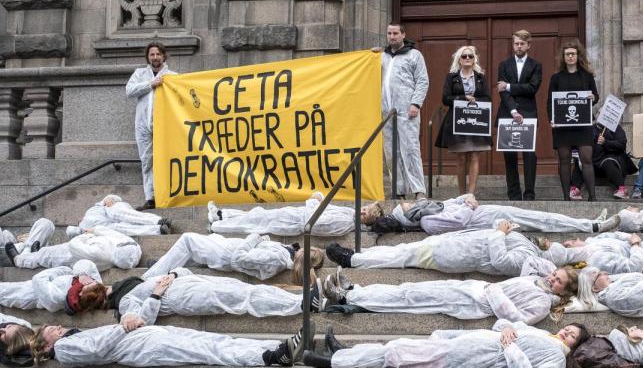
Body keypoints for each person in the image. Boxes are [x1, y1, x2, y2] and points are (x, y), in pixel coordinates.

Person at [302, 321, 589, 368]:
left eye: (573, 336)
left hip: (467, 356)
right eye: (569, 327)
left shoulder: (556, 355)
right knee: (397, 346)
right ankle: (341, 353)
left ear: (575, 347)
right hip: (465, 342)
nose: (567, 332)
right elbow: (503, 326)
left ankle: (333, 361)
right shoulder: (543, 334)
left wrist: (511, 348)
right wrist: (509, 328)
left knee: (394, 351)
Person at [31, 290, 315, 368]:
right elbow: (95, 350)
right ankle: (269, 357)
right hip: (142, 348)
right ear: (45, 346)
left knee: (216, 340)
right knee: (207, 349)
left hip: (146, 337)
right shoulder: (65, 350)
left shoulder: (71, 339)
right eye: (50, 331)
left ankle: (275, 351)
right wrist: (122, 327)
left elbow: (134, 323)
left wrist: (154, 297)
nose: (57, 327)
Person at [319, 266, 580, 325]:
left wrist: (495, 291)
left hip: (475, 301)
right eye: (555, 274)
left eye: (558, 281)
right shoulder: (538, 280)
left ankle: (346, 299)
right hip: (472, 288)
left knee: (411, 297)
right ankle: (357, 292)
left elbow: (517, 320)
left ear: (563, 291)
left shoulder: (544, 302)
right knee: (410, 288)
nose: (552, 278)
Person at [325, 220, 573, 277]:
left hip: (457, 255)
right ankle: (360, 254)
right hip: (458, 242)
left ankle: (352, 261)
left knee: (403, 256)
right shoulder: (526, 242)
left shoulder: (527, 258)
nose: (546, 241)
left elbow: (501, 261)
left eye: (551, 246)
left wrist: (499, 232)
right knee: (403, 247)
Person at [114, 270, 309, 328]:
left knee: (247, 288)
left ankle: (305, 298)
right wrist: (156, 293)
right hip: (181, 297)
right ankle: (299, 304)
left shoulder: (146, 281)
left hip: (191, 281)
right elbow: (142, 320)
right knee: (241, 297)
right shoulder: (125, 300)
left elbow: (183, 270)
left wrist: (173, 274)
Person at [382, 193, 617, 235]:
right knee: (540, 220)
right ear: (408, 216)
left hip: (487, 212)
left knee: (538, 218)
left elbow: (459, 198)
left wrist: (467, 198)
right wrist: (467, 205)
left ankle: (587, 223)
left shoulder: (432, 206)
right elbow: (459, 220)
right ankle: (591, 226)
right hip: (488, 222)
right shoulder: (428, 221)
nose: (409, 202)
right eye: (405, 206)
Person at [379, 22, 429, 199]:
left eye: (395, 33)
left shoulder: (414, 55)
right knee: (391, 151)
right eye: (389, 33)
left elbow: (422, 81)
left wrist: (416, 103)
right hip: (386, 110)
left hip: (407, 109)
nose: (392, 37)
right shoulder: (381, 56)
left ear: (403, 35)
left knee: (410, 148)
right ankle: (398, 190)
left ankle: (418, 190)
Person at [434, 45, 491, 195]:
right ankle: (461, 194)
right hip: (458, 121)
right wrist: (462, 98)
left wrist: (475, 100)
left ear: (474, 60)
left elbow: (487, 98)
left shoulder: (480, 77)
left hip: (477, 121)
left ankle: (471, 194)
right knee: (461, 157)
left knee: (474, 155)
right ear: (459, 60)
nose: (467, 58)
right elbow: (445, 98)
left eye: (470, 56)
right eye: (464, 56)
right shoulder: (451, 77)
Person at [126, 42, 176, 211]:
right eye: (152, 54)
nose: (155, 57)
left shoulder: (172, 76)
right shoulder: (140, 74)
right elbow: (129, 91)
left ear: (163, 56)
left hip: (165, 125)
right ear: (148, 57)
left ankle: (168, 194)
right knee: (147, 161)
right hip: (143, 125)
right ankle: (151, 197)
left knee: (166, 160)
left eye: (158, 54)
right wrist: (150, 84)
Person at [547, 40, 599, 201]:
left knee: (587, 158)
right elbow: (550, 101)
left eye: (573, 54)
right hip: (562, 126)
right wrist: (551, 119)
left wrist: (593, 97)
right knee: (564, 160)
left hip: (583, 125)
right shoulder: (556, 78)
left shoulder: (587, 76)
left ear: (578, 56)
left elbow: (595, 96)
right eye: (567, 54)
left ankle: (593, 197)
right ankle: (566, 198)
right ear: (563, 57)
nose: (570, 56)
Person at [496, 29, 543, 201]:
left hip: (529, 114)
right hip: (508, 113)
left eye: (522, 43)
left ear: (528, 45)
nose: (519, 46)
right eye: (516, 43)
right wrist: (513, 111)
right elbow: (502, 93)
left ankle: (529, 193)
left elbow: (532, 88)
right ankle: (514, 194)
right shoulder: (504, 65)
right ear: (513, 44)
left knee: (529, 155)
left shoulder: (536, 65)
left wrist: (508, 86)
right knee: (509, 155)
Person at [207, 192, 382, 237]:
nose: (362, 211)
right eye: (365, 208)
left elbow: (316, 224)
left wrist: (314, 201)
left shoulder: (346, 224)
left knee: (256, 222)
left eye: (365, 213)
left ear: (366, 221)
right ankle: (222, 215)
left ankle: (218, 225)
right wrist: (319, 198)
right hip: (295, 216)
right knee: (258, 214)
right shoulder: (349, 213)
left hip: (295, 221)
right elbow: (325, 209)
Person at [143, 232, 296, 281]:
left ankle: (147, 278)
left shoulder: (279, 259)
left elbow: (239, 258)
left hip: (226, 254)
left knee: (187, 239)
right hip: (225, 248)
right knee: (193, 251)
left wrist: (256, 237)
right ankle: (162, 264)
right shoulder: (284, 253)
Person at [5, 226, 140, 270]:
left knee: (47, 255)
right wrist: (94, 230)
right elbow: (111, 232)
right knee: (44, 253)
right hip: (90, 243)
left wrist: (85, 236)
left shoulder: (102, 255)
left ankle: (19, 260)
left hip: (72, 256)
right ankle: (34, 254)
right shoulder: (132, 246)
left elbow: (74, 246)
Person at [0, 259, 106, 314]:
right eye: (92, 281)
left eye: (87, 284)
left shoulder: (60, 297)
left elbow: (38, 279)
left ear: (81, 293)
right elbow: (87, 263)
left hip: (28, 295)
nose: (89, 280)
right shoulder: (96, 286)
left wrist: (62, 272)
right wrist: (82, 274)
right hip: (34, 285)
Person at [570, 122, 637, 200]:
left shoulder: (615, 127)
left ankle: (622, 189)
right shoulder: (591, 128)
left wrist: (606, 142)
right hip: (594, 162)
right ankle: (575, 188)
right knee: (582, 161)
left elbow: (622, 144)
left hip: (611, 160)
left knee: (608, 162)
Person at [74, 194, 172, 236]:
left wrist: (109, 199)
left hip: (113, 209)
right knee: (121, 228)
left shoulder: (92, 209)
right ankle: (159, 230)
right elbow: (71, 232)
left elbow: (114, 198)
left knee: (118, 214)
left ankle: (157, 220)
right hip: (108, 226)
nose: (79, 220)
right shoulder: (83, 227)